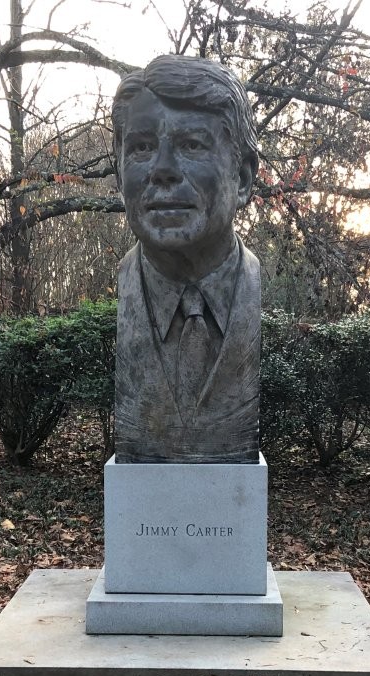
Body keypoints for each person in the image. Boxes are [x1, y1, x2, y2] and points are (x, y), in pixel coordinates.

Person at [111, 55, 261, 464]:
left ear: (243, 177)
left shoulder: (252, 290)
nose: (162, 170)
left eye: (192, 145)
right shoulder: (127, 291)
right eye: (142, 148)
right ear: (119, 175)